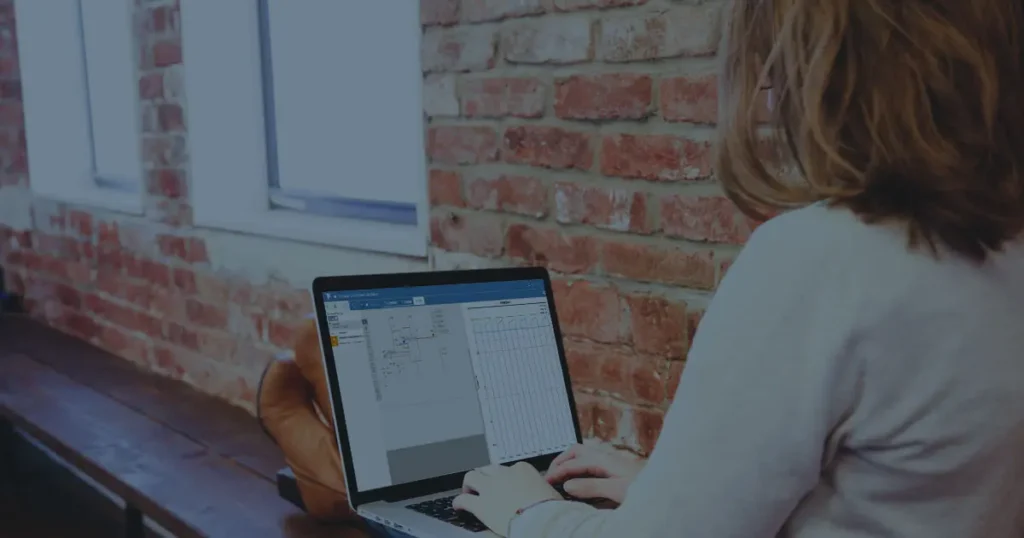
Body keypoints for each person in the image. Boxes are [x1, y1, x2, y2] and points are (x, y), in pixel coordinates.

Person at [450, 0, 1024, 536]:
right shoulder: (1003, 252)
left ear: (832, 73)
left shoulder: (823, 258)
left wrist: (529, 512)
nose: (770, 100)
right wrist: (669, 489)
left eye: (775, 67)